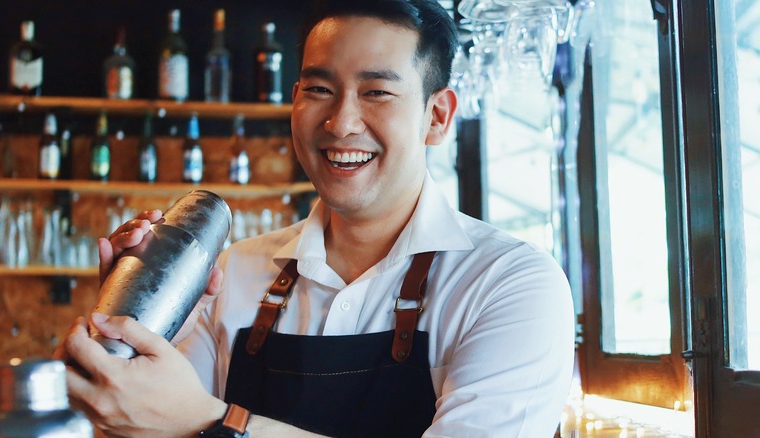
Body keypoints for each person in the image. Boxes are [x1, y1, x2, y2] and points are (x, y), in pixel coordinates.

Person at [58, 0, 575, 436]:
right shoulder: (231, 275)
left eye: (377, 92)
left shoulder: (511, 285)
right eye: (319, 89)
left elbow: (190, 422)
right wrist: (129, 341)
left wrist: (218, 424)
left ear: (436, 117)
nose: (341, 122)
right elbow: (145, 425)